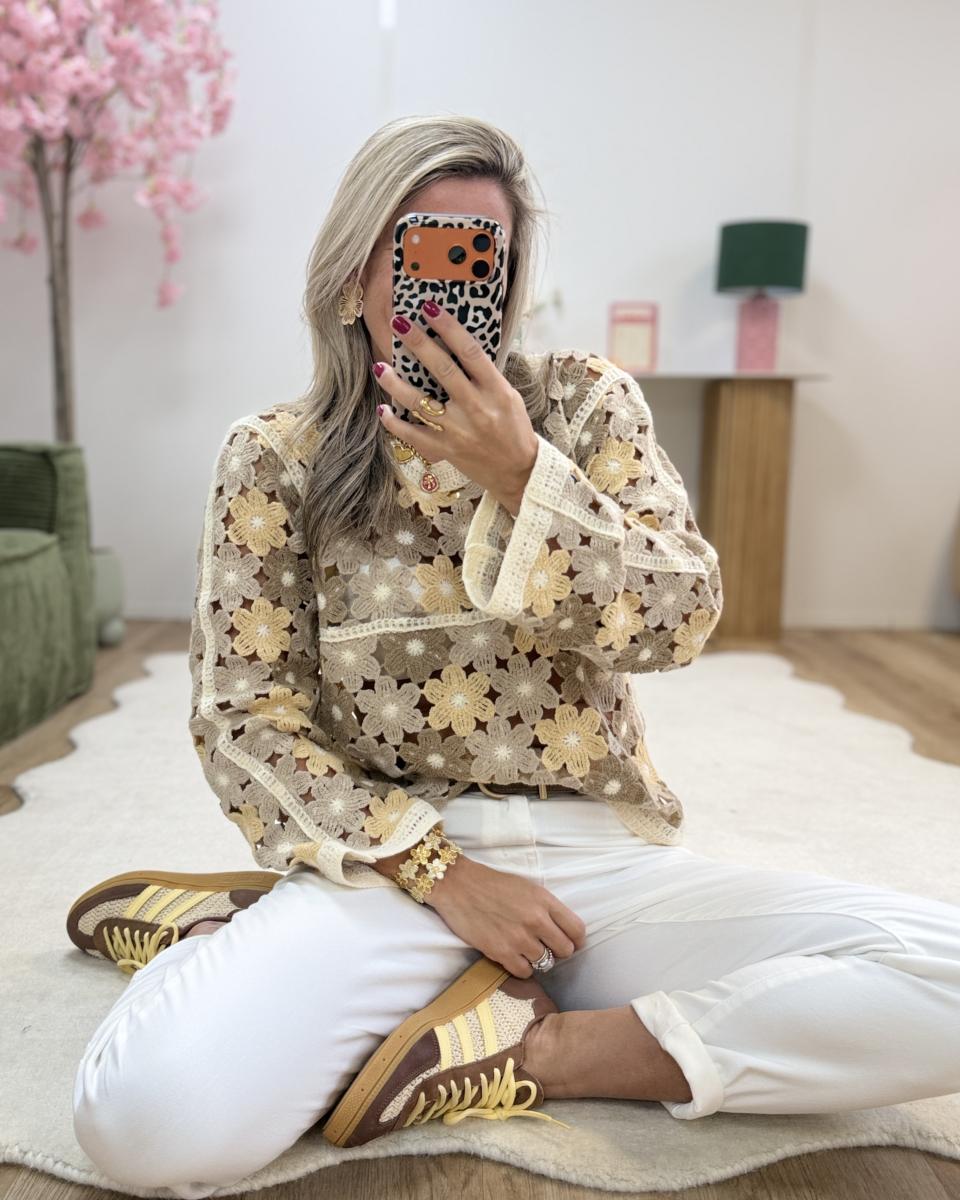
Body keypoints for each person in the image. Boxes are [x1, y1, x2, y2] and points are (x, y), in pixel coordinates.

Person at [68, 114, 960, 1197]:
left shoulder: (586, 406)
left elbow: (682, 616)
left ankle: (547, 1048)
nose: (454, 287)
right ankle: (240, 935)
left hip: (601, 870)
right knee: (144, 1125)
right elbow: (243, 715)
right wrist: (440, 875)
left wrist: (525, 475)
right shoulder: (274, 458)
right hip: (397, 864)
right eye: (424, 248)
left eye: (481, 256)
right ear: (353, 279)